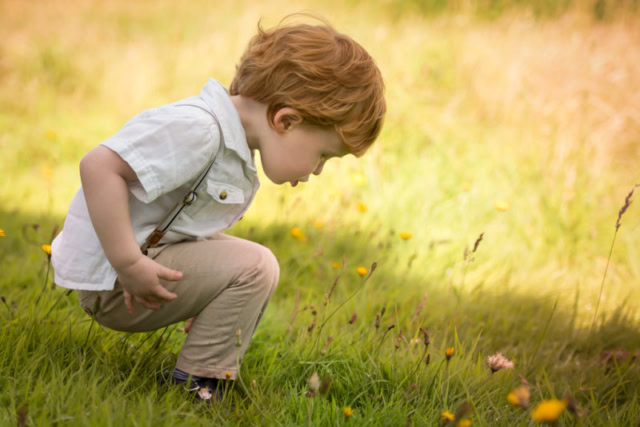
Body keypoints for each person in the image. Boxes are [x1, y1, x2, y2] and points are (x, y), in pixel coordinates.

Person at [51, 14, 386, 403]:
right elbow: (98, 165)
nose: (317, 171)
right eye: (323, 155)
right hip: (117, 282)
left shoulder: (229, 143)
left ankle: (201, 384)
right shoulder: (200, 129)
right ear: (286, 120)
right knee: (256, 265)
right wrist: (128, 263)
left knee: (247, 264)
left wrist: (216, 298)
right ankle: (197, 387)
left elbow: (180, 217)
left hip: (134, 273)